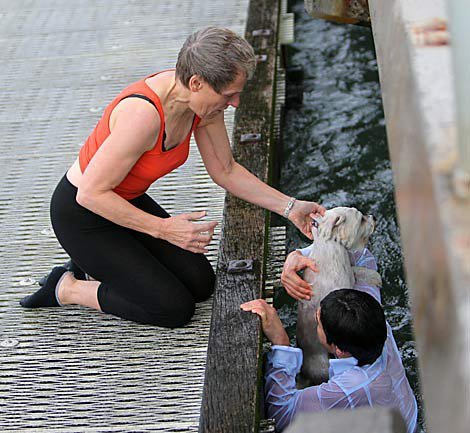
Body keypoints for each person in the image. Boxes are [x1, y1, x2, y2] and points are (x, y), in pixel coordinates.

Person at [19, 27, 325, 328]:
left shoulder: (203, 107)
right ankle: (67, 288)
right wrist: (164, 229)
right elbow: (89, 194)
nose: (235, 104)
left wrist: (290, 207)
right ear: (196, 82)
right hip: (82, 215)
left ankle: (94, 267)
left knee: (201, 284)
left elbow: (226, 170)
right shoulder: (144, 115)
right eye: (228, 95)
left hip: (124, 202)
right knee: (173, 309)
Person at [241, 247, 418, 433]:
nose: (314, 321)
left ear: (339, 349)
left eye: (317, 323)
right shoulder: (370, 315)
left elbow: (283, 416)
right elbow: (363, 256)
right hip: (406, 416)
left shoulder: (350, 387)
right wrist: (301, 255)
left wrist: (281, 342)